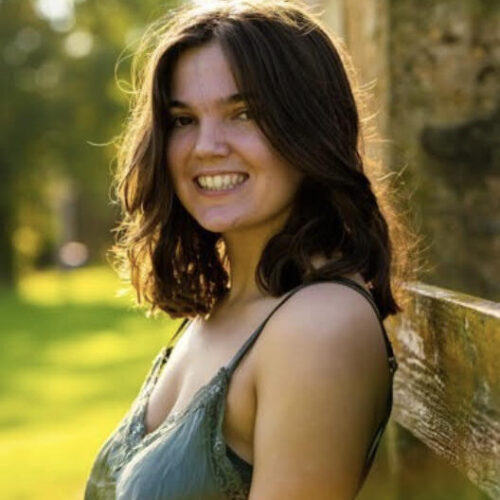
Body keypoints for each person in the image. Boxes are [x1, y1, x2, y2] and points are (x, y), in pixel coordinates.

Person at [84, 0, 417, 498]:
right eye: (182, 119)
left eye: (243, 113)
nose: (206, 146)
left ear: (310, 129)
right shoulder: (220, 308)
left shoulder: (318, 326)